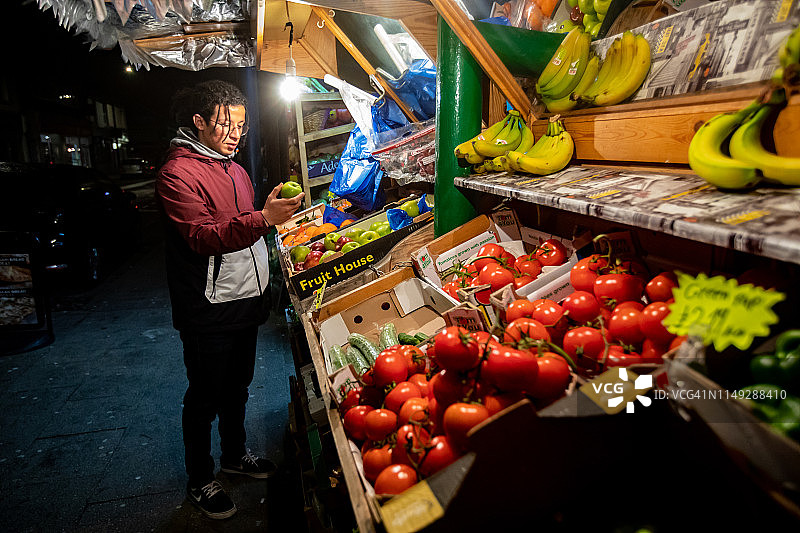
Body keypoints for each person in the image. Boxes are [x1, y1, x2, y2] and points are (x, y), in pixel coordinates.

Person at [155, 80, 304, 520]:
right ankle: (200, 479)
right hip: (207, 308)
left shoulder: (233, 168)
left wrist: (269, 217)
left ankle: (235, 455)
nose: (236, 133)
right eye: (226, 124)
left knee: (237, 387)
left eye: (242, 124)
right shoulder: (176, 173)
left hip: (244, 298)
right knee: (204, 396)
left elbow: (244, 224)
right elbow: (202, 237)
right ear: (198, 123)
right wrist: (263, 218)